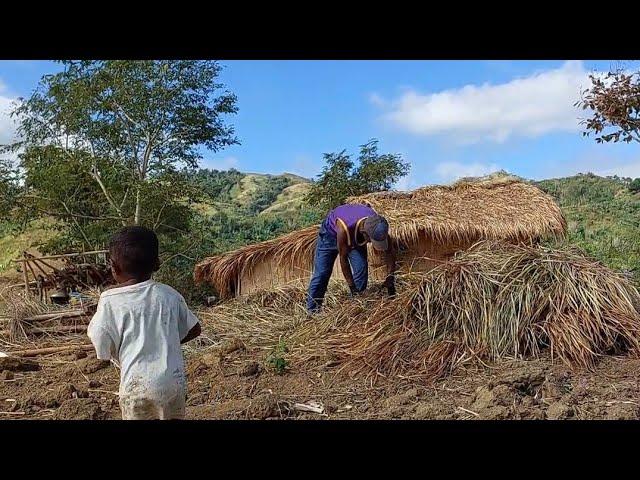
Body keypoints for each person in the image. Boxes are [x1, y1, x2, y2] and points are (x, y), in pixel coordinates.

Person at [87, 226, 201, 420]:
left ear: (113, 267)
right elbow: (195, 329)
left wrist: (119, 351)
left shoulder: (109, 300)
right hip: (173, 384)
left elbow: (100, 342)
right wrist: (167, 341)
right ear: (157, 263)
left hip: (136, 387)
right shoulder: (170, 295)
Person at [306, 203, 397, 313]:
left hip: (354, 233)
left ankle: (354, 307)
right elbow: (343, 259)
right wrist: (352, 286)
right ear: (365, 234)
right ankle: (312, 311)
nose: (369, 243)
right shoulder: (344, 228)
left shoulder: (378, 224)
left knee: (361, 269)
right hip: (329, 237)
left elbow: (390, 252)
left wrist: (390, 277)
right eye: (370, 241)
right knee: (322, 273)